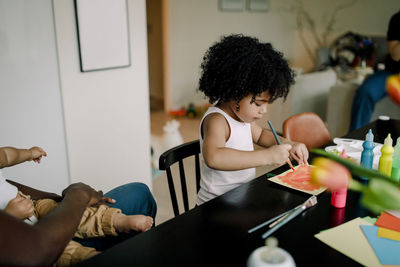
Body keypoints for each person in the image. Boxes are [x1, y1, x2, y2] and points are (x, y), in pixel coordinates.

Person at [196, 34, 309, 205]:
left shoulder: (243, 118)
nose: (264, 110)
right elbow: (214, 157)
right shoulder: (217, 120)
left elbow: (261, 135)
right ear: (235, 92)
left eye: (267, 103)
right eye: (258, 103)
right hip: (215, 205)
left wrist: (290, 144)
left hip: (241, 196)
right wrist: (267, 157)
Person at [0, 146, 157, 266]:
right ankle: (89, 256)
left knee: (138, 193)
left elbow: (6, 155)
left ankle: (116, 220)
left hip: (32, 206)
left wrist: (28, 153)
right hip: (22, 245)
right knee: (65, 253)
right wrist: (10, 215)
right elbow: (36, 250)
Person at [349, 10, 400, 131]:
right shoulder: (397, 19)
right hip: (391, 73)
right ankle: (354, 138)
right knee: (365, 91)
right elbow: (395, 55)